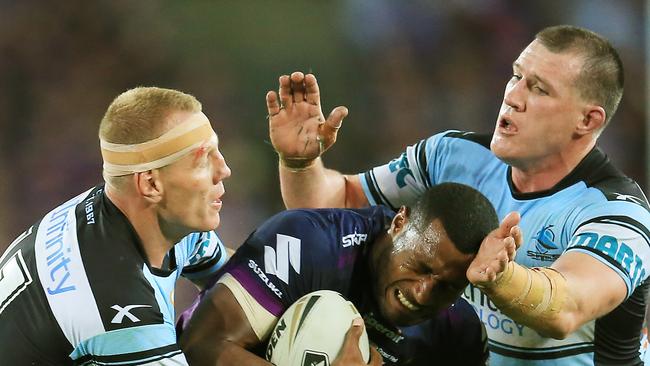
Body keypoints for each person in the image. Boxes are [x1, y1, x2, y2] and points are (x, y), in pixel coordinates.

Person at [266, 25, 650, 365]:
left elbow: (566, 308)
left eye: (538, 89)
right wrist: (300, 164)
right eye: (516, 76)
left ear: (587, 120)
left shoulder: (618, 214)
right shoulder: (451, 157)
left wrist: (501, 278)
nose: (513, 96)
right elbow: (333, 210)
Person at [0, 87, 231, 365]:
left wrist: (295, 166)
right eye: (203, 161)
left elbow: (248, 285)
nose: (223, 170)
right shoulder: (123, 313)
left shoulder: (136, 216)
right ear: (151, 184)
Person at [177, 182, 504, 365]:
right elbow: (202, 345)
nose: (422, 293)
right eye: (419, 267)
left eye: (446, 287)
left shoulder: (456, 330)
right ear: (399, 223)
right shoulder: (308, 243)